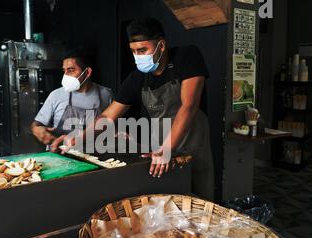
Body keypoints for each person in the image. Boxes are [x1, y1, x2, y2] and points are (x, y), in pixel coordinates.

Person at [53, 18, 215, 200]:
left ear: (161, 46)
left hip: (192, 152)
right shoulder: (138, 77)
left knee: (200, 205)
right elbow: (108, 116)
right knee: (166, 208)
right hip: (157, 155)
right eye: (134, 51)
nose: (138, 56)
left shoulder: (187, 57)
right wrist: (80, 137)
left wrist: (168, 148)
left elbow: (189, 106)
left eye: (142, 50)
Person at [31, 49, 114, 147]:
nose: (65, 75)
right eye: (64, 71)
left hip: (95, 156)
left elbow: (112, 127)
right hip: (61, 154)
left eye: (70, 70)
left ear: (87, 72)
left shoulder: (106, 94)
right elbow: (35, 125)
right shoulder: (56, 95)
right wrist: (36, 129)